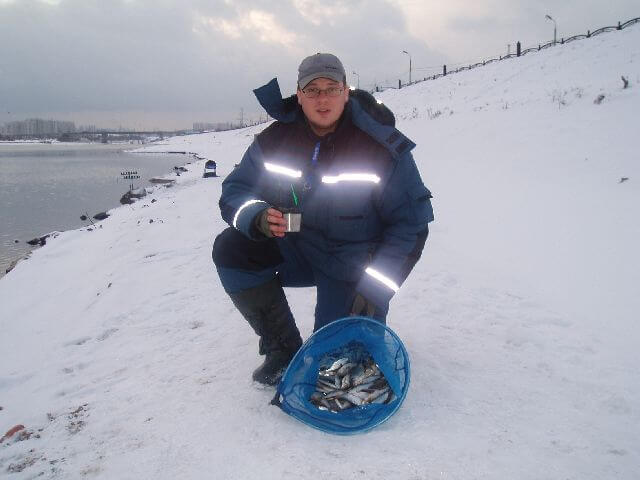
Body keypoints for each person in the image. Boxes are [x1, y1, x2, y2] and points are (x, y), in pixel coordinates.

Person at [212, 53, 434, 385]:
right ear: (298, 95)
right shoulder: (275, 139)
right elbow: (234, 191)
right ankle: (282, 349)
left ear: (346, 91)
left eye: (331, 88)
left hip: (353, 263)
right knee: (232, 249)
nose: (322, 98)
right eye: (312, 89)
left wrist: (375, 289)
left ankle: (349, 328)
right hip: (296, 247)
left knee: (332, 371)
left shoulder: (381, 145)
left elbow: (411, 225)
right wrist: (256, 216)